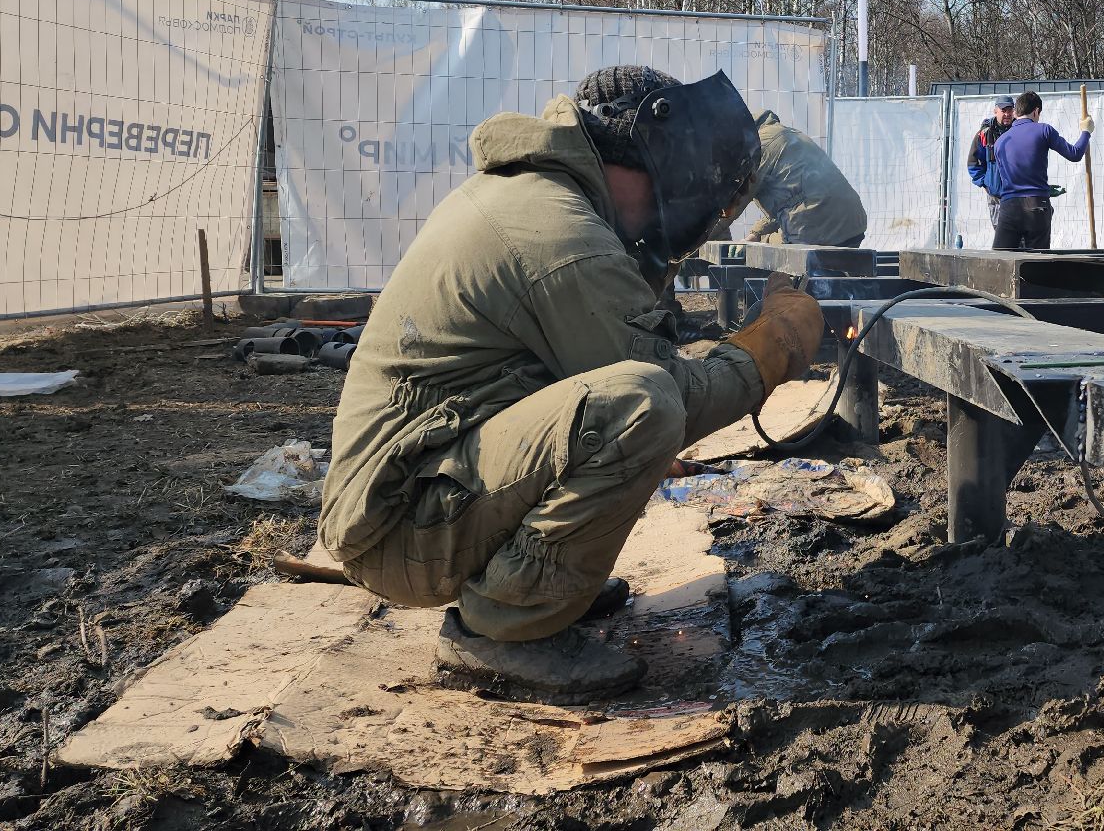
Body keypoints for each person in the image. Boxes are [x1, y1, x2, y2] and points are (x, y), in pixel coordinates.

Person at [318, 66, 826, 703]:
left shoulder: (539, 196)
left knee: (626, 401)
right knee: (641, 406)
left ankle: (534, 589)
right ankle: (506, 630)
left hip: (417, 490)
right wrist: (772, 345)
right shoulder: (560, 235)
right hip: (399, 526)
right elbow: (671, 394)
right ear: (649, 158)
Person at [742, 110, 869, 247]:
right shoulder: (789, 134)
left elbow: (733, 206)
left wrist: (717, 232)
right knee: (762, 242)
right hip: (853, 227)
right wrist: (755, 234)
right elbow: (791, 201)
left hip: (815, 231)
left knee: (763, 250)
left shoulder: (760, 145)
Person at [990, 90, 1092, 250]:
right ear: (1036, 111)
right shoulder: (1044, 130)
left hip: (1009, 206)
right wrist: (1086, 132)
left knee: (1001, 260)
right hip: (1037, 204)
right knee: (1037, 263)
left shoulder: (999, 142)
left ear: (1016, 112)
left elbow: (1008, 175)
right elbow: (1075, 154)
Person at [965, 94, 1017, 228]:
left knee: (1021, 239)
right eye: (1003, 110)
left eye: (1010, 110)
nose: (1007, 114)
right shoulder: (984, 134)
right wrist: (986, 184)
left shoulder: (1020, 130)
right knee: (1002, 238)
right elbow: (973, 163)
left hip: (1019, 195)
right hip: (996, 196)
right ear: (996, 111)